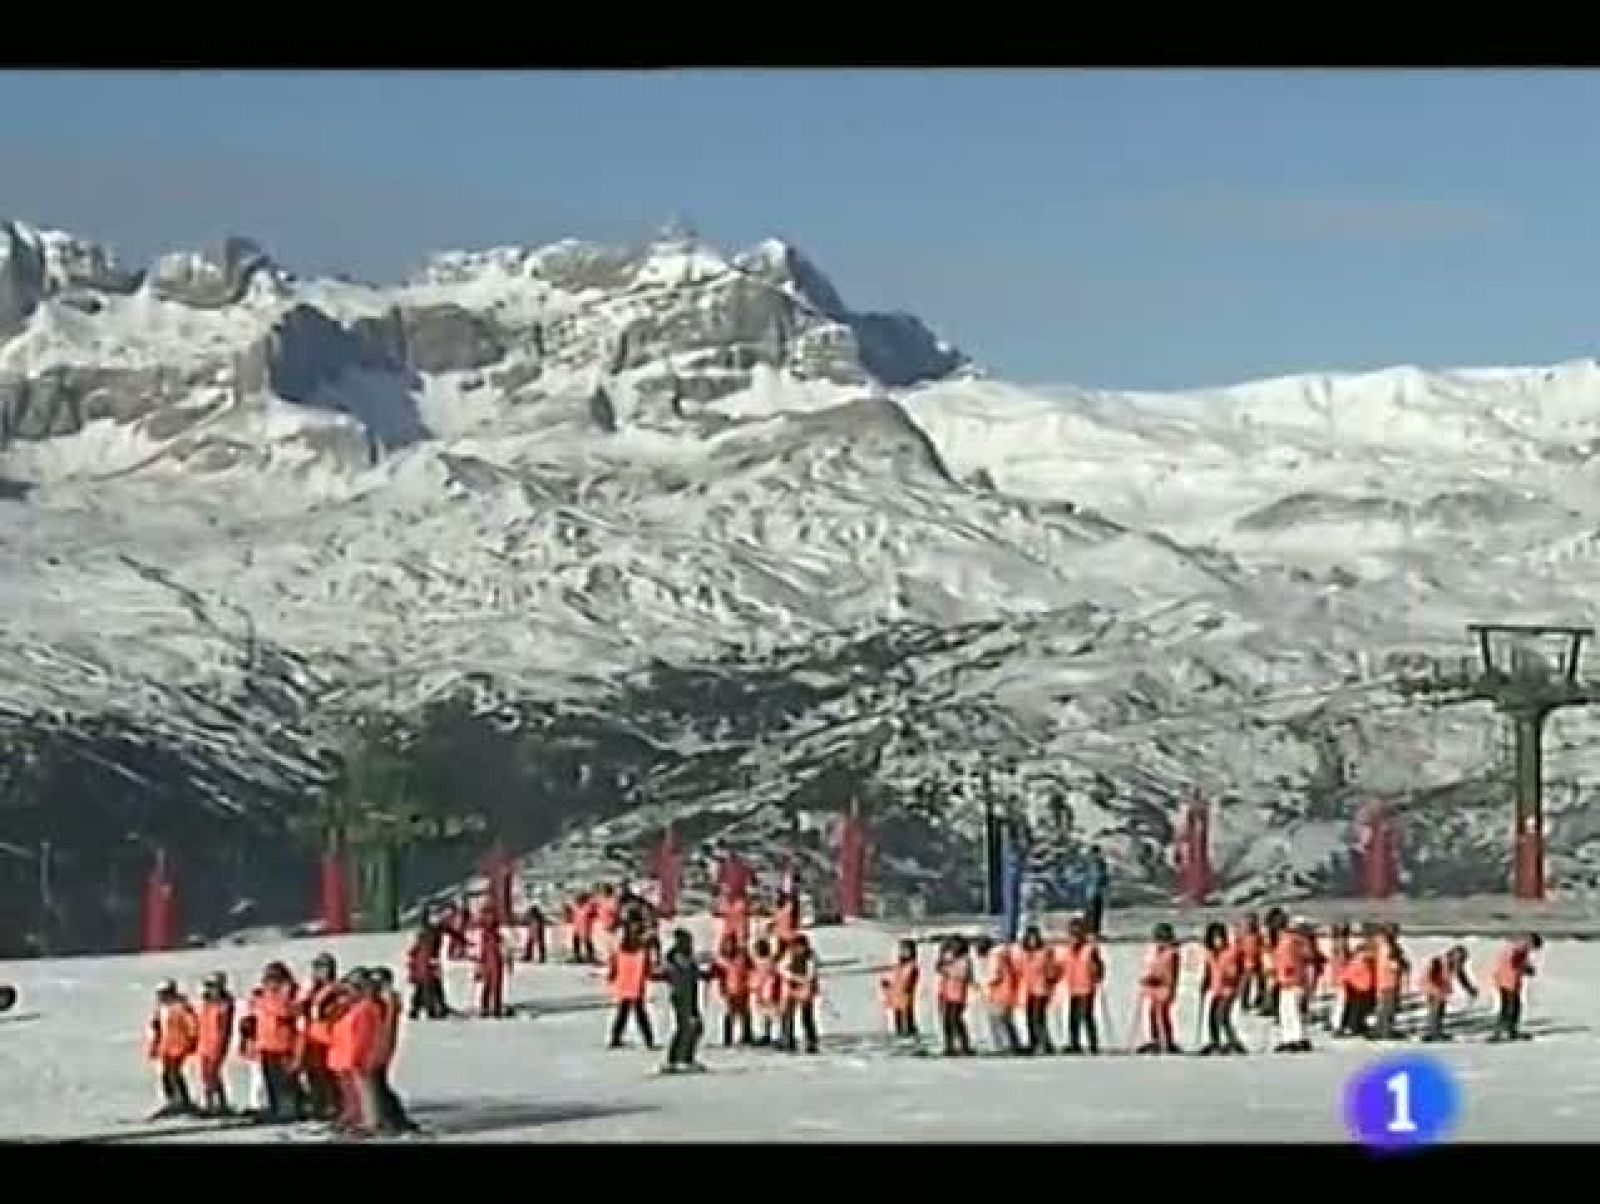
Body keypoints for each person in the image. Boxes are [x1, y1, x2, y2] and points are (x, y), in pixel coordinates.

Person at [146, 980, 200, 1117]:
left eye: (164, 993)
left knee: (174, 1073)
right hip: (165, 1046)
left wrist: (191, 1040)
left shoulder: (181, 1006)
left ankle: (182, 1100)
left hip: (178, 1045)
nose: (161, 997)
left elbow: (192, 1025)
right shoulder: (161, 1008)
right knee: (165, 1074)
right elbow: (157, 1027)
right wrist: (154, 1045)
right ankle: (172, 1100)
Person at [659, 928, 708, 1072]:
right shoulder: (676, 957)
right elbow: (679, 973)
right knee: (689, 1026)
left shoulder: (684, 956)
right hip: (682, 995)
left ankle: (679, 1058)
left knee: (691, 1026)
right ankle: (682, 1058)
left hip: (689, 994)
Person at [1057, 917, 1105, 1055]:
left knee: (1086, 1015)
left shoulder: (1090, 949)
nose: (1074, 937)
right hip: (1073, 986)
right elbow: (1063, 965)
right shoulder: (1068, 949)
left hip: (1086, 986)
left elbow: (1099, 966)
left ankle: (1093, 1044)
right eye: (1072, 933)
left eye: (1077, 933)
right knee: (1073, 1017)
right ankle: (1074, 1043)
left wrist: (1097, 974)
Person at [605, 923, 656, 1049]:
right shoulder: (636, 951)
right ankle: (646, 1040)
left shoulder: (639, 951)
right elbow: (614, 966)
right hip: (630, 985)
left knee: (632, 1013)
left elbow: (647, 969)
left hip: (632, 985)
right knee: (629, 1013)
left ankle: (646, 1039)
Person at [1198, 922, 1245, 1055]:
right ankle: (1215, 1041)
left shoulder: (1230, 952)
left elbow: (1234, 971)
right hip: (1217, 989)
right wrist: (1205, 984)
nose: (1217, 940)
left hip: (1228, 990)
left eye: (1219, 937)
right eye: (1214, 938)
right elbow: (1209, 971)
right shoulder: (1211, 954)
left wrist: (1229, 975)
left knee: (1222, 1016)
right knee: (1212, 1017)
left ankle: (1233, 1041)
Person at [1136, 923, 1181, 1054]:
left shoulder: (1171, 953)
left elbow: (1168, 972)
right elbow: (1152, 967)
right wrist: (1147, 978)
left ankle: (1167, 1039)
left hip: (1165, 987)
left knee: (1162, 1014)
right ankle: (1156, 1039)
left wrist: (1156, 979)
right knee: (1152, 1013)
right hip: (1154, 988)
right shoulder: (1156, 952)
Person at [196, 972, 236, 1115]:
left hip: (216, 1043)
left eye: (212, 986)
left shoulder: (224, 1005)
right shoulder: (206, 1003)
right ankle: (211, 1102)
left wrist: (219, 1045)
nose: (210, 990)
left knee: (212, 1073)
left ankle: (216, 1103)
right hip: (204, 1042)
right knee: (205, 1075)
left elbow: (224, 1027)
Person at [1490, 933, 1543, 1042]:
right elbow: (1513, 962)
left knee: (1509, 1007)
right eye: (1534, 947)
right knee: (1511, 1007)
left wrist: (1526, 968)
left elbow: (1513, 961)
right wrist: (1525, 968)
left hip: (1504, 980)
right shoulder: (1519, 948)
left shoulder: (1517, 946)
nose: (1533, 950)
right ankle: (1504, 1032)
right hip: (1509, 981)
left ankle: (1504, 1031)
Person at [1419, 944, 1478, 1042]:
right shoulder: (1438, 960)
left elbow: (1461, 977)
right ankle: (1434, 1033)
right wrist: (1434, 987)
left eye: (1462, 960)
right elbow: (1429, 974)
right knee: (1436, 1010)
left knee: (1440, 1010)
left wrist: (1470, 989)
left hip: (1440, 988)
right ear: (1453, 954)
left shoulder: (1454, 964)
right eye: (1459, 959)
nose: (1460, 962)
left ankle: (1436, 1031)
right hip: (1432, 987)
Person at [974, 936, 1021, 1055]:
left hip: (999, 992)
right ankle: (1011, 1044)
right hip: (1005, 991)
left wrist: (982, 982)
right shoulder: (1001, 955)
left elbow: (995, 975)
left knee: (997, 1020)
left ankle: (1003, 1045)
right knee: (1004, 1020)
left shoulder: (994, 956)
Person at [776, 934, 821, 1054]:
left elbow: (811, 973)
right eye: (797, 946)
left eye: (801, 946)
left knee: (806, 1016)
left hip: (806, 988)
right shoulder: (789, 954)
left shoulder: (810, 957)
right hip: (791, 987)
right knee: (787, 1015)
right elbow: (781, 968)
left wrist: (803, 980)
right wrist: (792, 977)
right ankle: (787, 1039)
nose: (799, 949)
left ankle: (811, 1041)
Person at [933, 936, 975, 1056]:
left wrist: (946, 969)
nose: (955, 947)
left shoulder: (965, 959)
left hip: (958, 994)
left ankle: (965, 1045)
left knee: (955, 1019)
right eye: (953, 945)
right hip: (946, 992)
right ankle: (949, 1045)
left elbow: (962, 974)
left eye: (957, 945)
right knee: (946, 1020)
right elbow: (940, 970)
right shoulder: (948, 957)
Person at [880, 939, 920, 1040]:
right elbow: (895, 978)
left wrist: (907, 986)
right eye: (901, 950)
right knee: (897, 1017)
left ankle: (911, 1035)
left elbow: (911, 979)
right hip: (896, 995)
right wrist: (887, 984)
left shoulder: (912, 966)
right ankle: (900, 1035)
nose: (903, 953)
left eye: (906, 950)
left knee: (907, 1016)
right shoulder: (898, 965)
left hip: (906, 996)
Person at [1082, 846, 1109, 936]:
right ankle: (1090, 931)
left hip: (1094, 891)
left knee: (1096, 912)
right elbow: (1102, 877)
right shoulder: (1098, 863)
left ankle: (1094, 931)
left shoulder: (1095, 862)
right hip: (1094, 891)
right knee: (1093, 912)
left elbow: (1103, 878)